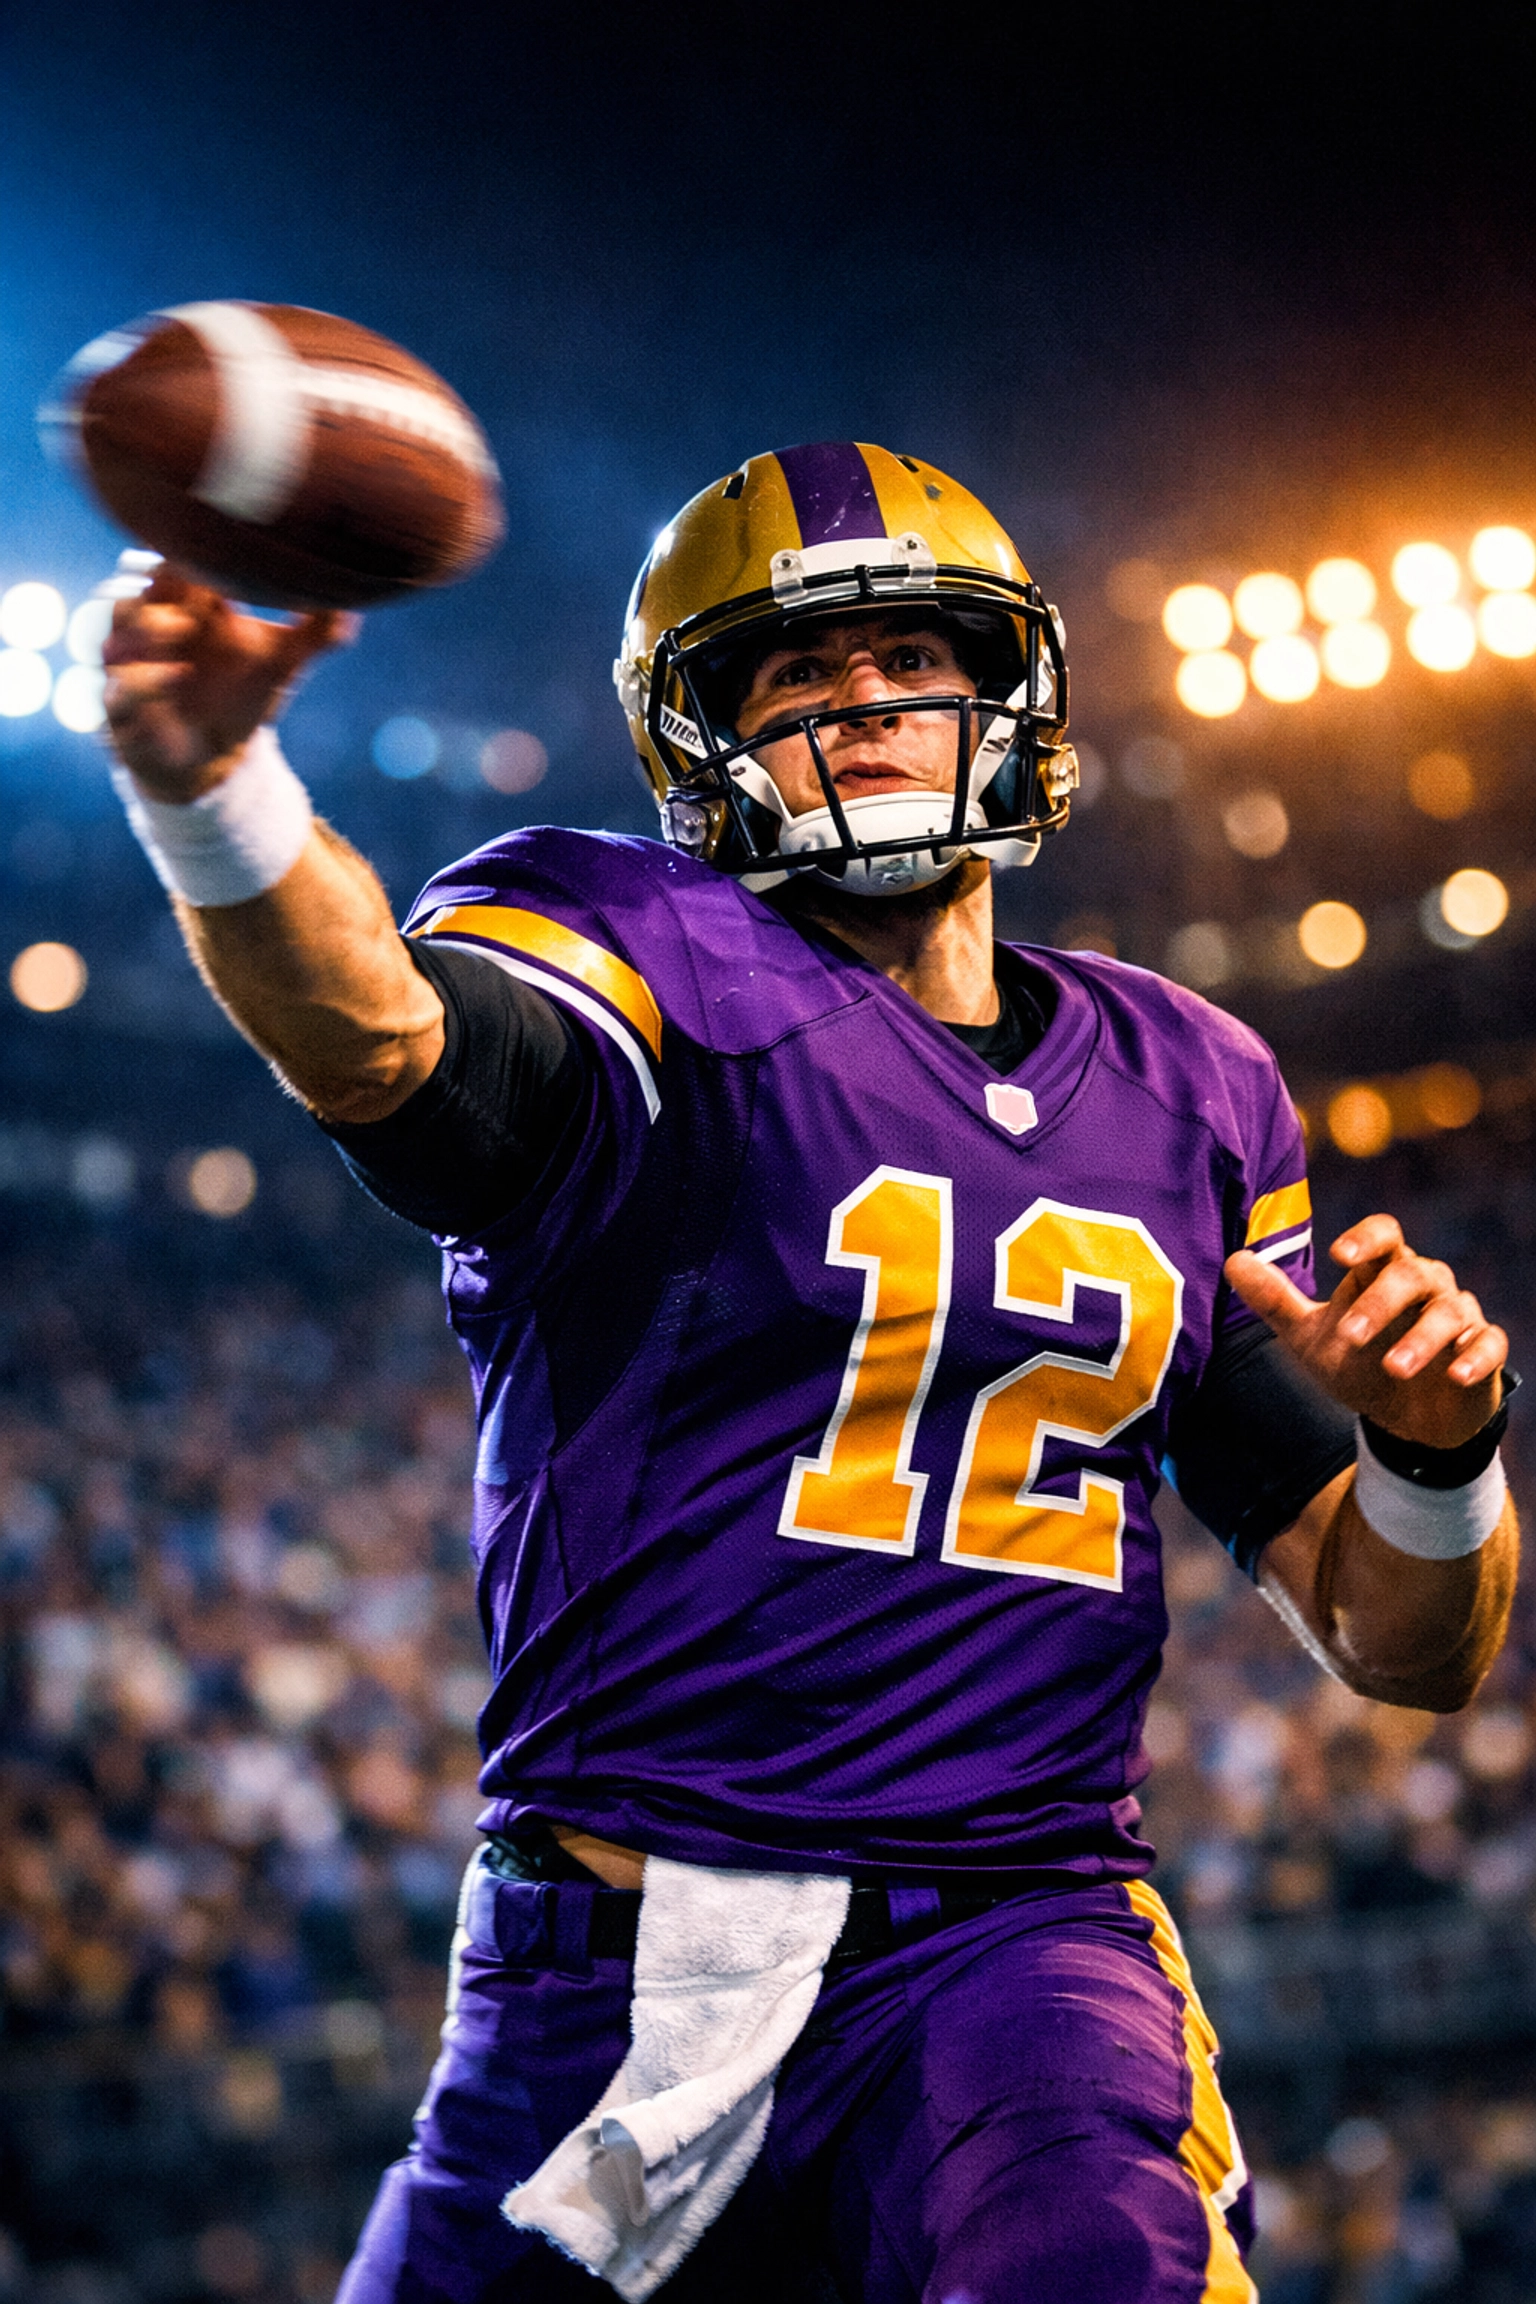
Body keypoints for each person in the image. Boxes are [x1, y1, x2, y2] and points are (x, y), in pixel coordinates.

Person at [103, 442, 1517, 2304]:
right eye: (798, 670)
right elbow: (385, 1045)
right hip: (608, 1981)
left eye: (913, 656)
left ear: (1006, 696)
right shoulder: (639, 949)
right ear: (703, 741)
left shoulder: (1193, 1086)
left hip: (1014, 1952)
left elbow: (1411, 1645)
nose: (864, 697)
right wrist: (217, 798)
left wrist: (1441, 1456)